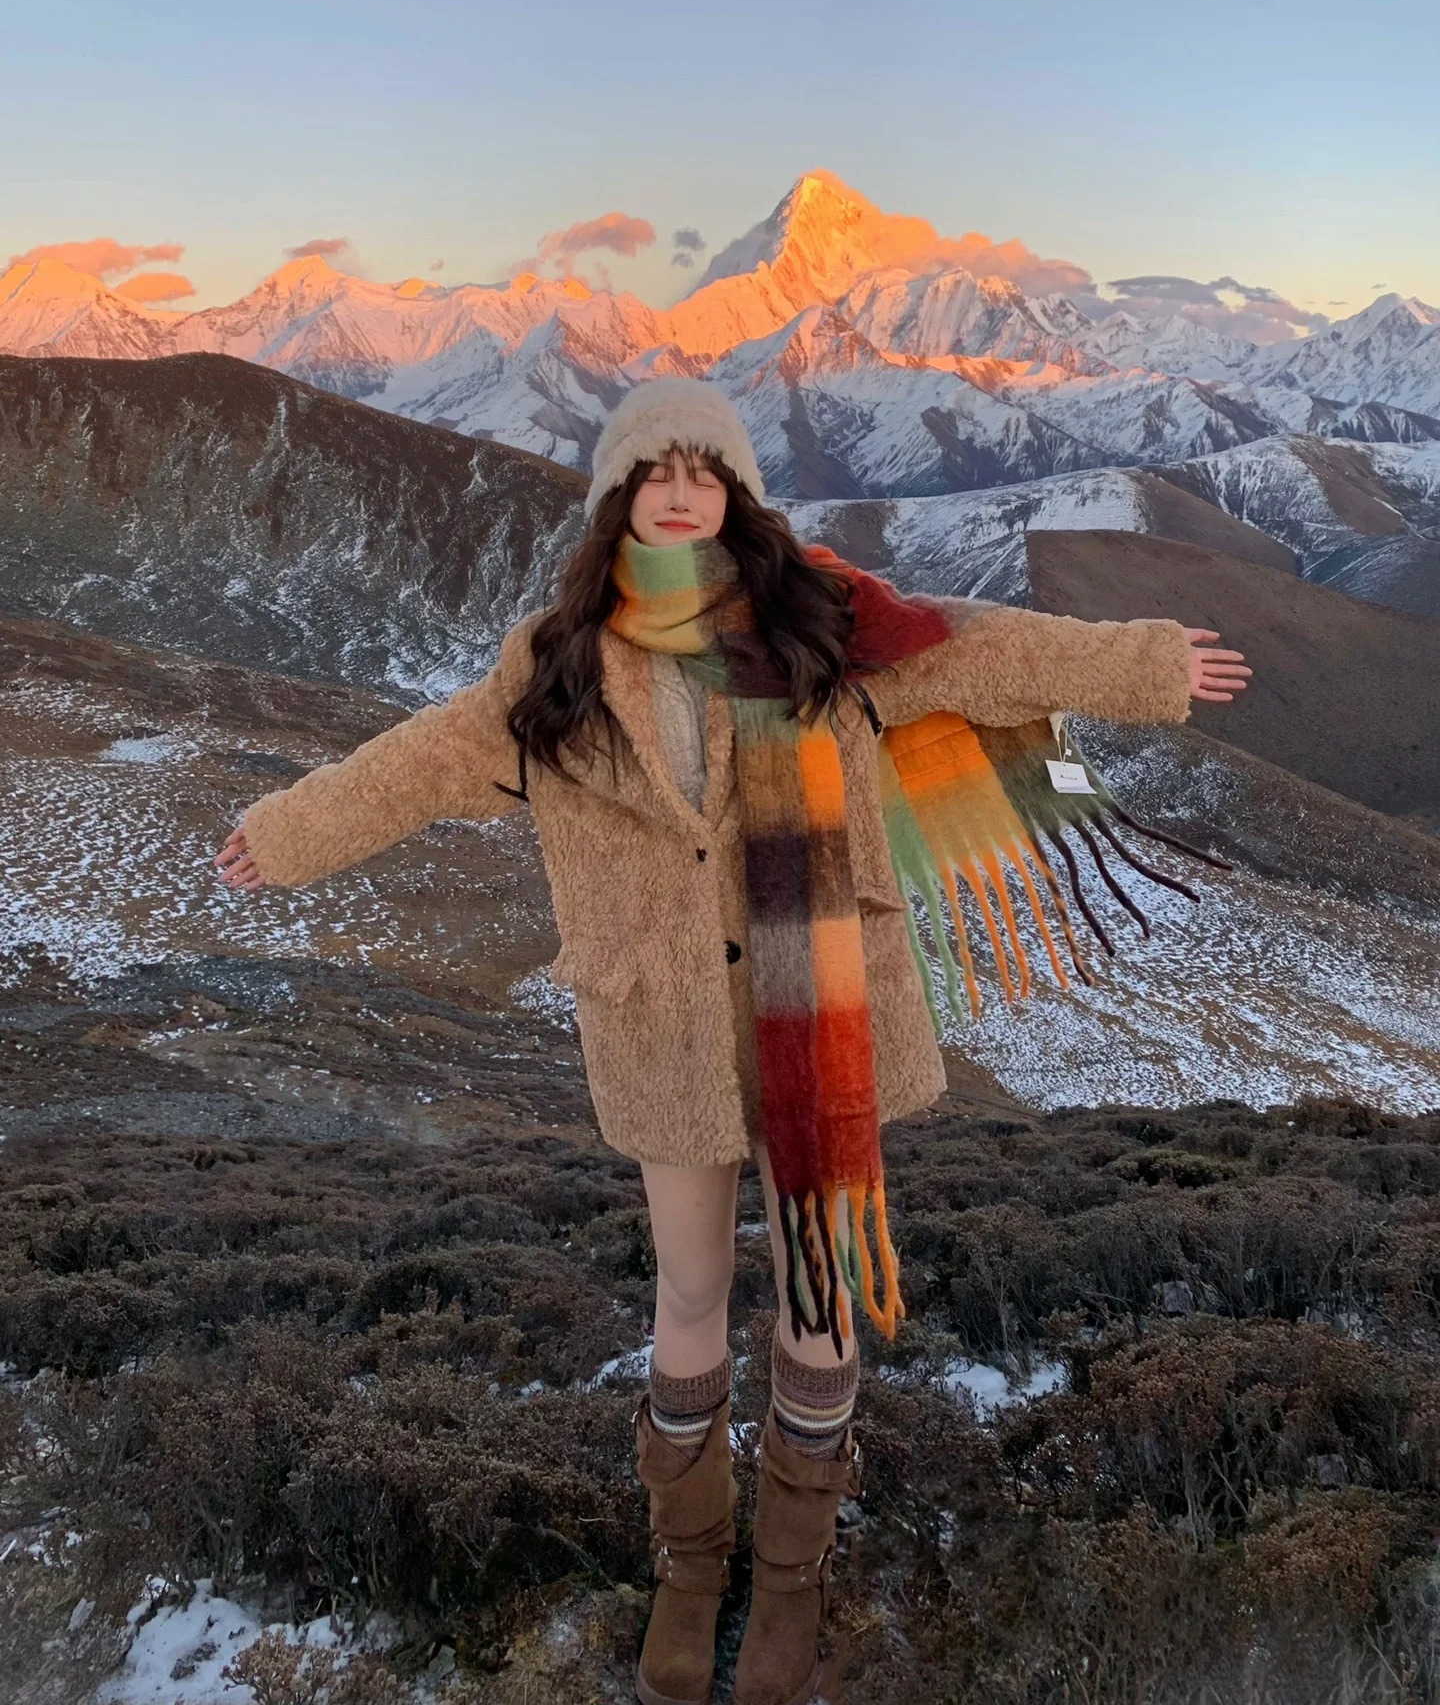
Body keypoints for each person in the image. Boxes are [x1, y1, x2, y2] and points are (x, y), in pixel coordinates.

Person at [215, 378, 1250, 1705]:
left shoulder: (823, 624)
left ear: (737, 494)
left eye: (705, 469)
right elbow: (422, 762)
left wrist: (1144, 665)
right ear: (619, 497)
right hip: (667, 1029)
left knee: (817, 1295)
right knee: (691, 1294)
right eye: (656, 470)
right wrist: (291, 831)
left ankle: (793, 1574)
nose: (681, 491)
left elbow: (985, 647)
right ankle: (691, 1568)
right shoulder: (560, 663)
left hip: (821, 1011)